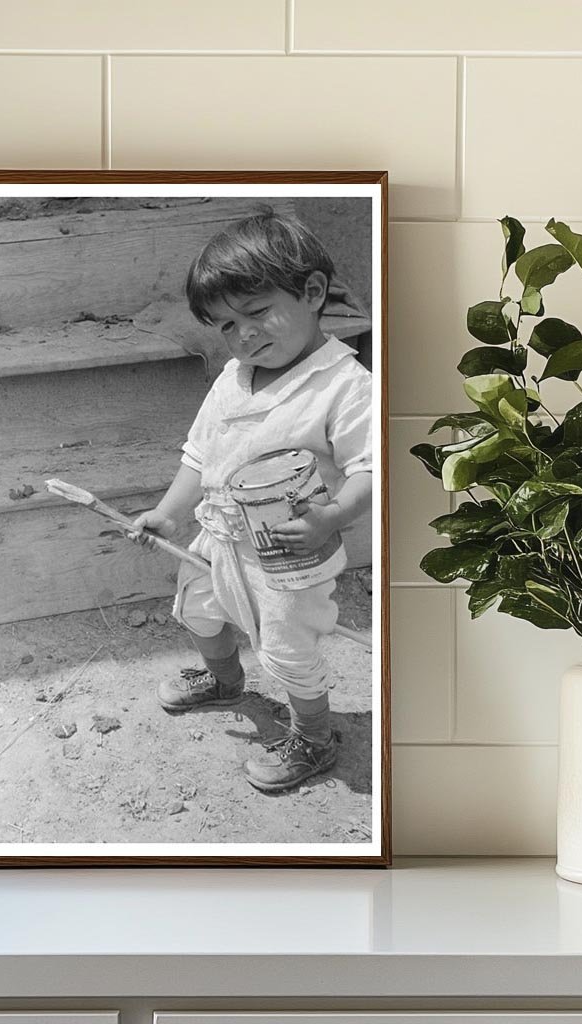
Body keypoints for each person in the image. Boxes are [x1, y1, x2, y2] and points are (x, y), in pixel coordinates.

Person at [129, 212, 373, 793]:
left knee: (288, 649)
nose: (243, 335)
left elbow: (369, 468)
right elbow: (200, 455)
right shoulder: (234, 377)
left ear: (312, 293)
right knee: (198, 611)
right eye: (226, 325)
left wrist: (333, 518)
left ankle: (314, 736)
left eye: (257, 312)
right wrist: (169, 514)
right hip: (218, 535)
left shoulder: (345, 386)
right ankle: (224, 680)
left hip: (288, 554)